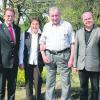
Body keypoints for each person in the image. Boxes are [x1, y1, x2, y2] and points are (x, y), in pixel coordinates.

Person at [40, 6, 75, 100]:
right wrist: (43, 55)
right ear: (49, 16)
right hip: (49, 55)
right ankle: (50, 98)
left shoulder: (67, 25)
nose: (54, 18)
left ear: (60, 15)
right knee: (50, 81)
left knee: (65, 80)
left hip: (64, 55)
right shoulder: (46, 26)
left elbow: (72, 43)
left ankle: (66, 98)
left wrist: (71, 58)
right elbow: (42, 42)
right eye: (52, 16)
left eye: (56, 15)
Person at [73, 11, 100, 100]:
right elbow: (76, 49)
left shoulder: (98, 31)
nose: (87, 20)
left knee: (95, 89)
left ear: (93, 18)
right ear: (82, 21)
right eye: (85, 19)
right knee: (83, 88)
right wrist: (75, 65)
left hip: (95, 65)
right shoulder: (78, 32)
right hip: (82, 65)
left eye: (89, 18)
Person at [19, 17, 44, 100]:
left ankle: (38, 97)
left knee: (38, 82)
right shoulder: (25, 34)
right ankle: (29, 98)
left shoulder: (42, 35)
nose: (34, 26)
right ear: (30, 24)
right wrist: (21, 62)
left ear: (39, 25)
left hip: (38, 63)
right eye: (33, 24)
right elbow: (21, 49)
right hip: (27, 62)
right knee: (28, 83)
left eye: (36, 24)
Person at [0, 8, 20, 100]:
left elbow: (17, 47)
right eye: (8, 16)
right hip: (2, 64)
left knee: (12, 89)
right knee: (1, 90)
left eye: (12, 16)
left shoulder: (17, 29)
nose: (10, 18)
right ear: (4, 17)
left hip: (14, 64)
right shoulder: (0, 28)